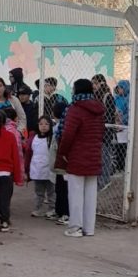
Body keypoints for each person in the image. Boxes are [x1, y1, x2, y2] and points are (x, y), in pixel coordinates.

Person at [54, 79, 106, 237]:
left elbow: (68, 134)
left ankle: (75, 227)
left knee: (75, 193)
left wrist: (62, 152)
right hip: (94, 154)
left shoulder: (74, 109)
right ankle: (89, 228)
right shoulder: (99, 109)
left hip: (76, 155)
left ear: (77, 90)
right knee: (91, 194)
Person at [92, 74, 118, 190]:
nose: (93, 86)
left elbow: (109, 115)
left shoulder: (107, 96)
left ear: (101, 83)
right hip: (96, 130)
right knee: (98, 157)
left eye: (95, 83)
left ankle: (105, 180)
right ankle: (99, 180)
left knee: (105, 156)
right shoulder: (95, 96)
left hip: (105, 131)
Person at [27, 116, 55, 217]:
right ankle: (38, 208)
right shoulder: (34, 138)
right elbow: (30, 153)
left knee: (51, 191)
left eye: (46, 124)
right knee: (39, 192)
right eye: (41, 124)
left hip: (49, 170)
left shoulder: (52, 138)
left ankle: (52, 208)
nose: (43, 126)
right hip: (37, 169)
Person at [114, 80, 131, 172]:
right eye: (118, 88)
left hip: (125, 126)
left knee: (124, 147)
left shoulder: (129, 99)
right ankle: (119, 166)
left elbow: (129, 113)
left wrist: (121, 120)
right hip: (116, 125)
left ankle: (124, 165)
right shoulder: (116, 98)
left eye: (121, 88)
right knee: (117, 146)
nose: (119, 90)